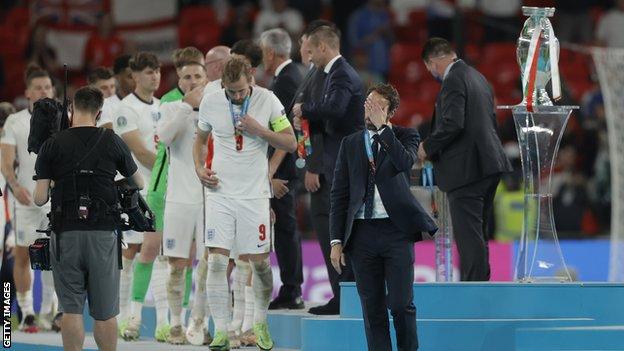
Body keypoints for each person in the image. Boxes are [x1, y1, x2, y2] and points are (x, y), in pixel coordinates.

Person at [193, 57, 297, 351]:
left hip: (254, 196)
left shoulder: (268, 100)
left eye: (241, 91)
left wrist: (259, 130)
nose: (237, 96)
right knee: (215, 262)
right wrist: (199, 169)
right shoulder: (212, 101)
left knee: (260, 265)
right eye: (231, 91)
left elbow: (290, 143)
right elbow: (199, 141)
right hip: (220, 193)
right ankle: (221, 331)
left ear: (251, 79)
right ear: (223, 85)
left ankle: (259, 324)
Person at [32, 86, 143, 351]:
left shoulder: (52, 144)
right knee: (105, 313)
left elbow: (39, 198)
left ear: (71, 110)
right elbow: (137, 182)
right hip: (103, 233)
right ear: (100, 112)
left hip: (65, 232)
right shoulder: (112, 140)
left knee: (70, 309)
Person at [330, 83, 437, 351]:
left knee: (401, 304)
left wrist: (383, 131)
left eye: (377, 106)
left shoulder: (405, 136)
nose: (369, 109)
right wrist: (335, 241)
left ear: (390, 111)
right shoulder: (351, 143)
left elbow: (405, 163)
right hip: (361, 233)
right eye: (367, 103)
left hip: (396, 231)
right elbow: (339, 194)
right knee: (372, 308)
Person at [417, 38, 512, 281]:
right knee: (478, 233)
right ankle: (480, 286)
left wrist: (427, 146)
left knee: (469, 236)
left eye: (428, 68)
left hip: (467, 170)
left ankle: (473, 292)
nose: (430, 73)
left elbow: (453, 123)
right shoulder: (477, 76)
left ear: (433, 62)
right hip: (489, 164)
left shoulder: (453, 79)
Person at [292, 23, 364, 315]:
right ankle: (342, 296)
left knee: (339, 232)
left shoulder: (342, 73)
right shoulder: (331, 73)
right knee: (333, 231)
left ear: (323, 47)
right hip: (337, 163)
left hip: (341, 165)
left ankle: (346, 297)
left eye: (312, 50)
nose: (309, 56)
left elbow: (334, 108)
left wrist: (305, 110)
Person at [112, 52, 170, 341]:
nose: (155, 76)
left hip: (162, 189)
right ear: (134, 76)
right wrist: (170, 172)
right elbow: (139, 150)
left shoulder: (162, 106)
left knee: (160, 255)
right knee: (131, 254)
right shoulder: (126, 108)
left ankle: (162, 321)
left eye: (157, 70)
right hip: (139, 190)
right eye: (148, 72)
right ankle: (124, 318)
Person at [0, 65, 58, 333]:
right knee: (23, 254)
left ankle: (51, 311)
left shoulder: (62, 117)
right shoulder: (16, 121)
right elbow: (6, 159)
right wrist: (14, 186)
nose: (44, 91)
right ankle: (26, 313)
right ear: (27, 93)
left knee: (56, 255)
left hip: (55, 199)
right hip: (24, 197)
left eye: (47, 87)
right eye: (38, 87)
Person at [158, 61, 210, 345]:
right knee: (177, 264)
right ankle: (176, 324)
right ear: (179, 80)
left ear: (207, 78)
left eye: (197, 76)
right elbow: (164, 138)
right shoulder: (170, 108)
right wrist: (185, 106)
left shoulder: (217, 108)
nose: (192, 81)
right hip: (178, 198)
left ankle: (199, 322)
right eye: (186, 77)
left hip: (209, 199)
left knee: (207, 265)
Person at [260, 27, 305, 310]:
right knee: (287, 227)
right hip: (289, 166)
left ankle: (291, 289)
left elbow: (286, 133)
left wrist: (272, 173)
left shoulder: (284, 82)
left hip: (284, 169)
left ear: (270, 52)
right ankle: (292, 288)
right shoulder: (294, 75)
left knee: (286, 227)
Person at [98, 54, 135, 129]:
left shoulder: (154, 104)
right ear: (117, 78)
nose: (136, 80)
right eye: (130, 77)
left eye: (138, 76)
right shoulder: (106, 105)